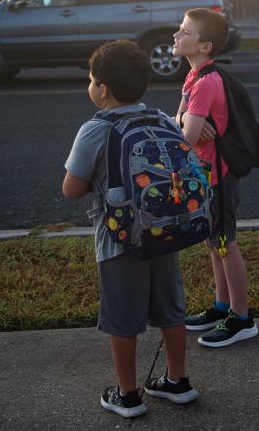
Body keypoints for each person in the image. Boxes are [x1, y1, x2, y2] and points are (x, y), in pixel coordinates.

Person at [62, 39, 198, 419]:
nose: (90, 86)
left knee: (122, 319)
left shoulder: (95, 129)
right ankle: (178, 382)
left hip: (119, 238)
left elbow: (71, 188)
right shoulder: (161, 119)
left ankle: (128, 395)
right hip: (166, 229)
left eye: (91, 80)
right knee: (171, 309)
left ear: (102, 89)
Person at [176, 8, 258, 347]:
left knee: (225, 244)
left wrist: (182, 121)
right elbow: (183, 119)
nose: (177, 36)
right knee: (214, 244)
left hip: (218, 180)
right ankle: (222, 305)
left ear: (205, 46)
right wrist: (183, 118)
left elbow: (186, 138)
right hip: (206, 176)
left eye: (185, 32)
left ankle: (241, 318)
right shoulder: (194, 76)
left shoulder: (207, 83)